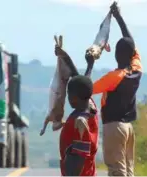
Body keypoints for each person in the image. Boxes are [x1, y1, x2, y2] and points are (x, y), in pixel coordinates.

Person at [91, 3, 142, 176]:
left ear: (115, 55)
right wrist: (119, 18)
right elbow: (131, 43)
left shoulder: (114, 78)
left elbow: (86, 88)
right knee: (128, 170)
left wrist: (90, 61)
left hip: (114, 127)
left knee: (116, 170)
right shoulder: (136, 69)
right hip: (128, 128)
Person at [55, 46, 99, 176]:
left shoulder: (80, 123)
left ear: (74, 98)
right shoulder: (91, 107)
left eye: (68, 94)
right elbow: (82, 81)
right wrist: (66, 57)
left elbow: (78, 158)